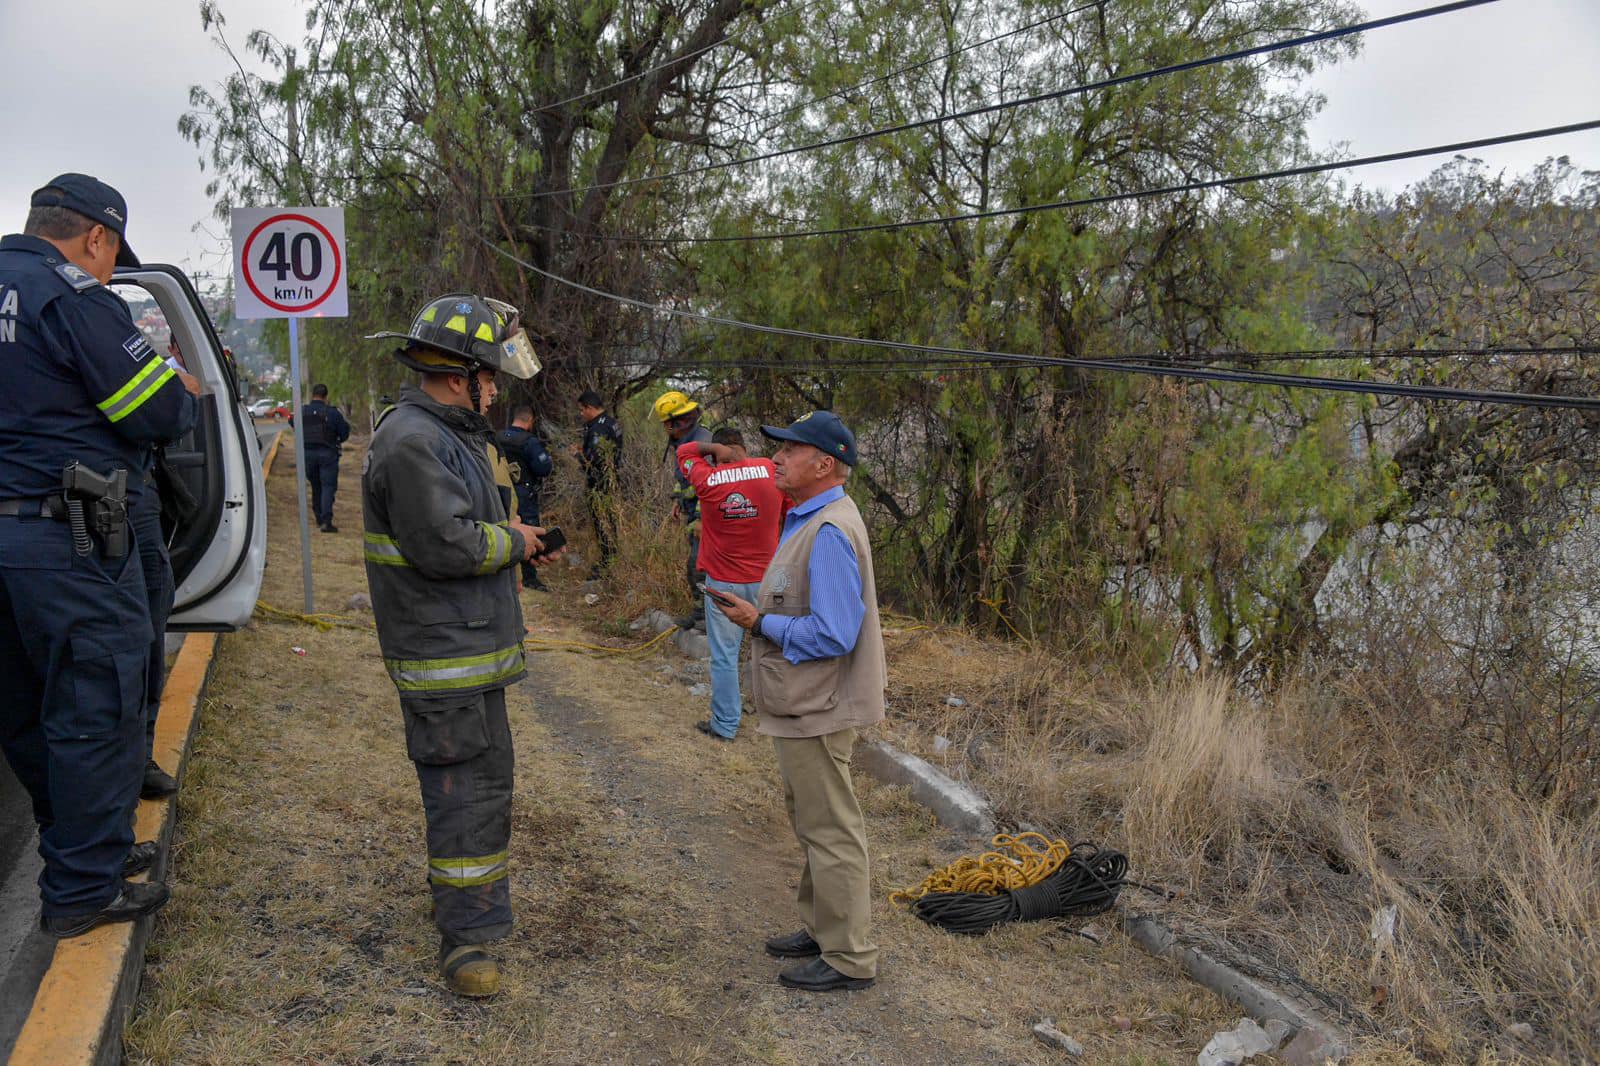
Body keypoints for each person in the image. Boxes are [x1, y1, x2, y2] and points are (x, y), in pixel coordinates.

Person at [0, 173, 199, 937]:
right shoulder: (74, 297)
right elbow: (154, 408)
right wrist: (177, 385)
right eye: (112, 258)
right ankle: (85, 886)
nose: (110, 271)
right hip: (65, 541)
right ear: (97, 238)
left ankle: (78, 851)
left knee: (24, 709)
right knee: (92, 707)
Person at [362, 292, 556, 998]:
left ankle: (472, 918)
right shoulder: (416, 440)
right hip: (445, 661)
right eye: (491, 376)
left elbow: (474, 529)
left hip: (466, 657)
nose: (497, 390)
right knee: (463, 796)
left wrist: (518, 546)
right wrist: (511, 542)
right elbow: (444, 544)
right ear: (459, 375)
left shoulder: (451, 435)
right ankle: (464, 942)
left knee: (483, 788)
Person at [715, 411, 886, 993]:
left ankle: (848, 957)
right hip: (805, 705)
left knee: (832, 829)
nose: (778, 458)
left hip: (821, 705)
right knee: (813, 822)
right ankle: (823, 928)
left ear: (825, 464)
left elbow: (837, 632)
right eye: (778, 448)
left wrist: (761, 622)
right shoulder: (810, 518)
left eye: (790, 450)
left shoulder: (831, 529)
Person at [676, 427, 787, 741]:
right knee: (774, 650)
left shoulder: (708, 480)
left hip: (725, 583)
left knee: (725, 655)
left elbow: (683, 452)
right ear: (744, 446)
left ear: (718, 451)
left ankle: (725, 725)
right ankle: (782, 719)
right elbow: (791, 508)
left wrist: (711, 449)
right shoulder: (769, 470)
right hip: (769, 579)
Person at [135, 334, 203, 800]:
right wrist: (184, 389)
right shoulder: (82, 313)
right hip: (113, 505)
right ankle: (134, 761)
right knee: (136, 643)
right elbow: (166, 414)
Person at [653, 390, 712, 628]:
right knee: (696, 565)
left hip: (707, 518)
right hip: (693, 515)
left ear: (679, 420)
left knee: (700, 565)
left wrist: (700, 518)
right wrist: (678, 499)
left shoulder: (702, 443)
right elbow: (685, 477)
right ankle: (701, 616)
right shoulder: (683, 441)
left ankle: (707, 619)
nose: (666, 427)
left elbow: (709, 485)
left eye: (668, 423)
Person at [495, 404, 553, 590]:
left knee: (503, 528)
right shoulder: (529, 442)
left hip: (500, 492)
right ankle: (529, 577)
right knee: (528, 530)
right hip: (524, 493)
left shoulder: (497, 437)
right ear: (530, 421)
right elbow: (544, 468)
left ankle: (506, 571)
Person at [575, 389, 622, 580]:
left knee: (603, 522)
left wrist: (578, 455)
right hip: (610, 481)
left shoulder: (599, 428)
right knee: (608, 522)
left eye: (581, 410)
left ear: (590, 408)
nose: (581, 414)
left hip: (600, 484)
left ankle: (607, 563)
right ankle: (609, 559)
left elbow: (594, 459)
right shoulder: (611, 422)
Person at [293, 383, 351, 532]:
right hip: (327, 455)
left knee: (316, 486)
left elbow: (292, 423)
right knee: (327, 487)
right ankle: (326, 521)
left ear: (313, 395)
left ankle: (319, 518)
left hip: (308, 455)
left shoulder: (302, 411)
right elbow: (344, 433)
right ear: (326, 396)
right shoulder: (332, 413)